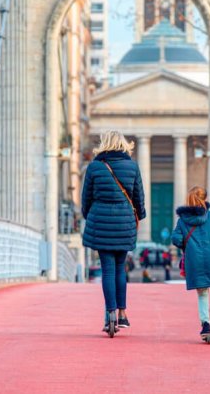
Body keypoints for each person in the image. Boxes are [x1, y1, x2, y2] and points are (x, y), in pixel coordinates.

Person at [81, 130, 146, 332]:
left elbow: (86, 198)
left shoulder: (94, 167)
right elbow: (138, 198)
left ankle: (110, 313)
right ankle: (123, 313)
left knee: (107, 269)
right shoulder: (132, 167)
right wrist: (139, 216)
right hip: (124, 223)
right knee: (120, 269)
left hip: (101, 222)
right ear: (123, 145)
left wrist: (89, 215)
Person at [171, 186, 210, 340]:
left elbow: (176, 239)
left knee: (202, 293)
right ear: (205, 199)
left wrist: (186, 244)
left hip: (195, 260)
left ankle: (206, 325)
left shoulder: (182, 221)